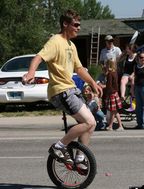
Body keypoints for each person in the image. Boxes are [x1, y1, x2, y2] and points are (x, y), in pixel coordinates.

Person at [22, 9, 102, 165]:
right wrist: (31, 72)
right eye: (76, 25)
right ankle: (59, 147)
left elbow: (79, 69)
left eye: (79, 25)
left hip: (71, 90)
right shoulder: (55, 41)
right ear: (65, 24)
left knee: (90, 124)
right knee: (90, 122)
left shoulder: (71, 45)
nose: (78, 28)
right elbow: (38, 58)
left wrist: (93, 83)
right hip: (60, 91)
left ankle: (79, 158)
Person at [105, 59, 124, 131]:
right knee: (114, 111)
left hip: (111, 93)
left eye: (106, 64)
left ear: (108, 65)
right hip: (115, 93)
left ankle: (112, 126)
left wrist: (107, 94)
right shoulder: (115, 72)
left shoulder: (110, 74)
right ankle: (116, 126)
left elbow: (109, 86)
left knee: (114, 111)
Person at [133, 52, 144, 129]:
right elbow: (135, 77)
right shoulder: (135, 67)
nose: (143, 59)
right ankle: (140, 123)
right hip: (137, 87)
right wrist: (132, 89)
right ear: (138, 58)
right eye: (141, 57)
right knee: (138, 107)